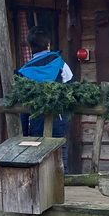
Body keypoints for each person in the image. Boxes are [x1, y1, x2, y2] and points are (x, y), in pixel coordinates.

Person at [15, 26, 72, 167]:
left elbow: (22, 102)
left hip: (35, 121)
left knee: (37, 152)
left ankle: (40, 183)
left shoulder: (24, 72)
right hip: (58, 118)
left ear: (30, 47)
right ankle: (62, 180)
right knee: (59, 150)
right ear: (48, 44)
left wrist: (24, 129)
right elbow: (72, 90)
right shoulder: (61, 65)